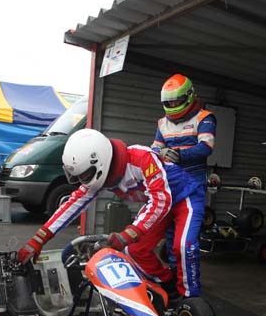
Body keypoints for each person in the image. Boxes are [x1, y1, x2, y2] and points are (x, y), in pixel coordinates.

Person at [18, 128, 204, 300]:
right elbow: (73, 204)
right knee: (134, 250)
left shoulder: (142, 158)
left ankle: (190, 297)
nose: (83, 180)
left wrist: (128, 234)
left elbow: (161, 200)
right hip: (159, 203)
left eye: (85, 175)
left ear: (99, 161)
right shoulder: (100, 175)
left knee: (184, 246)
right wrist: (38, 239)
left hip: (185, 196)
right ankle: (168, 283)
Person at [151, 74, 216, 270]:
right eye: (168, 102)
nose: (172, 104)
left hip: (194, 184)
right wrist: (160, 153)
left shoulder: (204, 117)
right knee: (171, 235)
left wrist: (179, 155)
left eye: (176, 100)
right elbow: (154, 149)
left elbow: (206, 147)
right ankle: (175, 275)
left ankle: (189, 282)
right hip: (171, 185)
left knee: (186, 240)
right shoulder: (162, 123)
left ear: (188, 96)